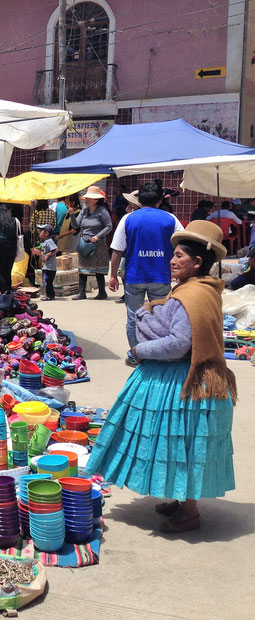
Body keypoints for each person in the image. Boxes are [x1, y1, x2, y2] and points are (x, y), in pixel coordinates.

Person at [85, 221, 237, 534]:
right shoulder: (201, 289)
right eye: (173, 255)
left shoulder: (191, 296)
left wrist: (140, 349)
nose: (172, 260)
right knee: (176, 443)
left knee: (185, 445)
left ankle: (190, 512)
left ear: (197, 263)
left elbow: (179, 343)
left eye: (180, 256)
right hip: (188, 374)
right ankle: (182, 500)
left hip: (187, 379)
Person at [109, 179, 184, 348]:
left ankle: (136, 355)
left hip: (134, 277)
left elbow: (117, 250)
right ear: (160, 201)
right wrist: (181, 273)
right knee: (161, 319)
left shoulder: (128, 219)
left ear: (139, 201)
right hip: (161, 277)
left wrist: (113, 276)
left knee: (134, 318)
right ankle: (156, 353)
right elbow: (183, 246)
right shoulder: (171, 219)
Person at [70, 185, 113, 301]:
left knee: (98, 269)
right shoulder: (84, 211)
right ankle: (81, 292)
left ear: (96, 199)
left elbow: (109, 226)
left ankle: (102, 292)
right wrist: (72, 215)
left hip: (98, 245)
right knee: (82, 269)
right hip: (84, 243)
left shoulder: (102, 211)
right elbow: (75, 225)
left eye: (90, 198)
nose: (87, 200)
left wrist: (97, 236)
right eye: (86, 197)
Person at [32, 224, 58, 301]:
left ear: (46, 233)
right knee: (46, 281)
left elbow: (55, 250)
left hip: (49, 267)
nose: (39, 233)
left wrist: (48, 255)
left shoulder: (49, 241)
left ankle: (49, 295)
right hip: (46, 266)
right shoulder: (46, 242)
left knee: (47, 281)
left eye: (41, 231)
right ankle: (50, 294)